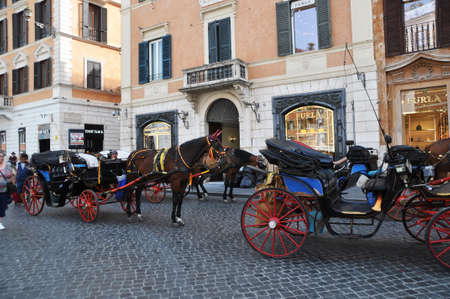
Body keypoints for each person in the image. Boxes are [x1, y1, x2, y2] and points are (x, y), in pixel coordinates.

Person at [0, 152, 16, 230]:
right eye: (0, 156)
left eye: (2, 156)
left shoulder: (8, 166)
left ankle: (0, 222)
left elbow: (13, 174)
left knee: (2, 206)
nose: (1, 158)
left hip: (5, 190)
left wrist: (13, 184)